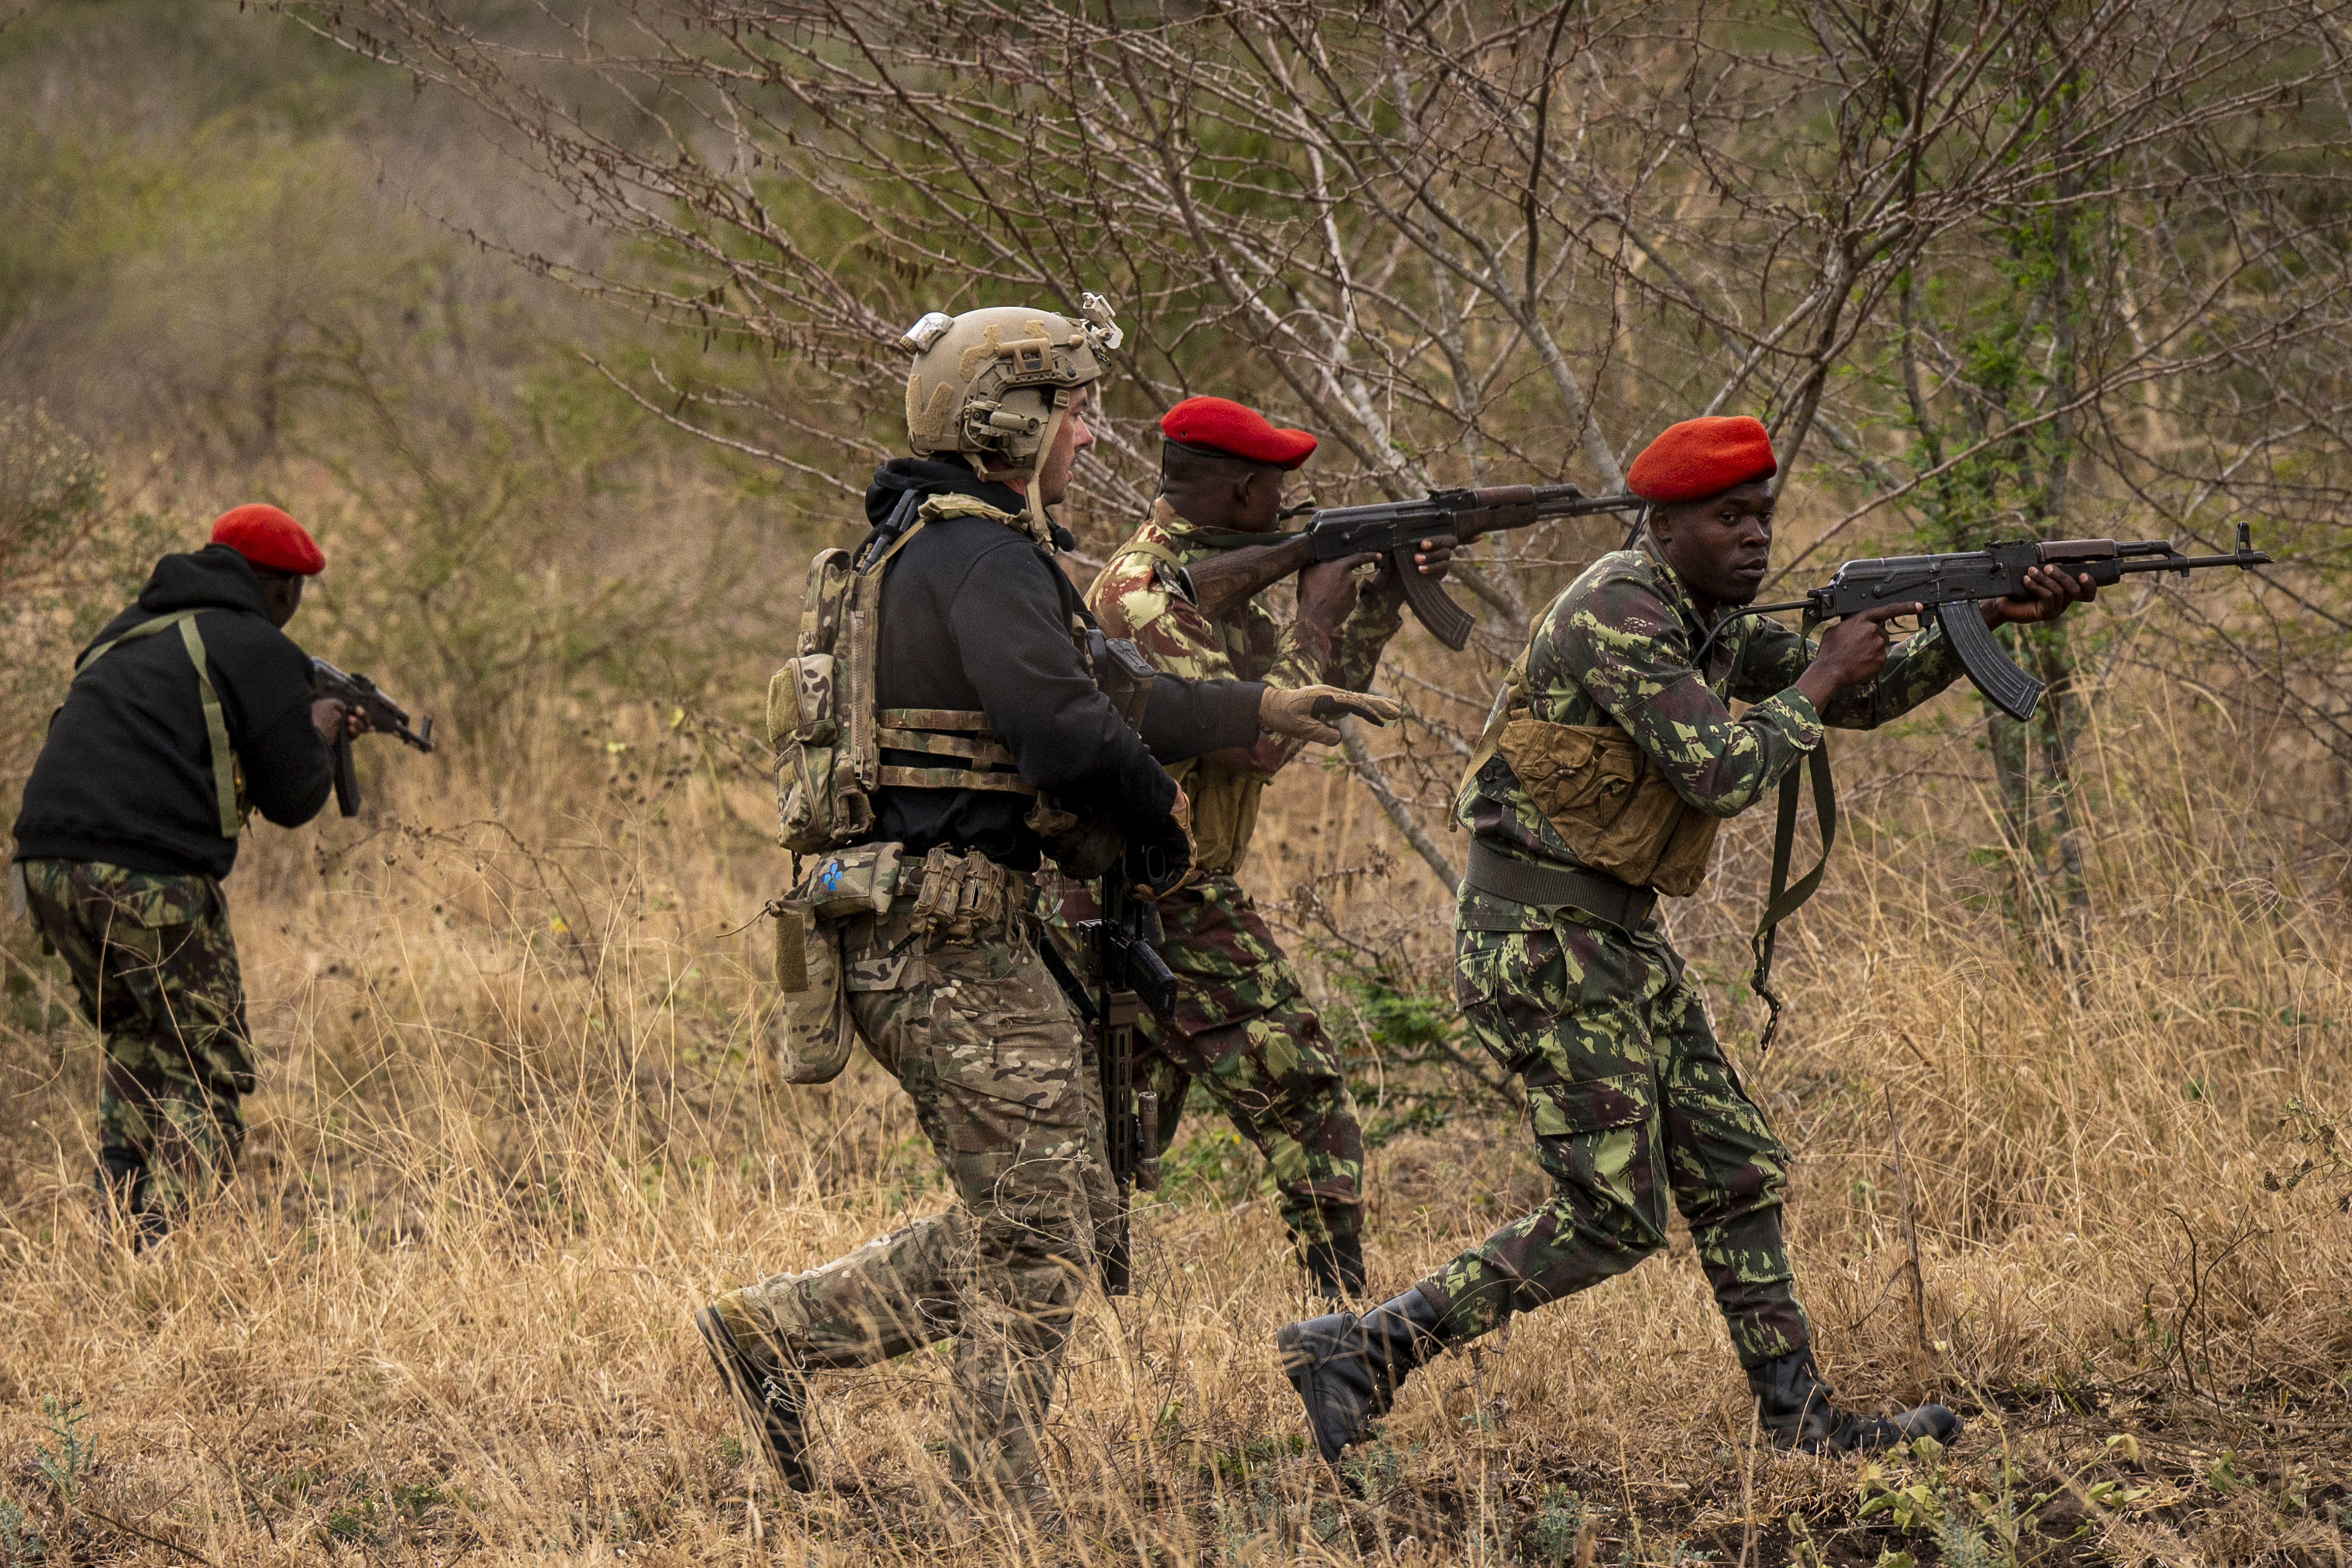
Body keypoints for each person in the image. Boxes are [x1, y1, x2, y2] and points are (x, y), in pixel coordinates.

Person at [1276, 415, 2100, 1459]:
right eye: (1728, 517)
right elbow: (1717, 767)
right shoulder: (1620, 609)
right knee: (1613, 1213)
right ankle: (1361, 1346)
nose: (1756, 535)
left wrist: (1978, 612)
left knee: (1733, 1165)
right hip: (1540, 938)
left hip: (1610, 934)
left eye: (1762, 514)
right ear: (1663, 525)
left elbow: (1864, 691)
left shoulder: (1703, 614)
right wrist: (1815, 677)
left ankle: (1800, 1419)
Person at [693, 303, 1395, 1512]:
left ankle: (775, 1331)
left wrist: (1250, 712)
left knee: (1059, 1206)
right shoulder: (982, 556)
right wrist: (1166, 823)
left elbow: (1113, 686)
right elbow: (1068, 733)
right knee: (1041, 1229)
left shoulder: (941, 546)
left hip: (937, 930)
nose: (1089, 432)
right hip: (943, 938)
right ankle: (988, 1499)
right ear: (1006, 419)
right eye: (1074, 408)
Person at [1064, 395, 1453, 1300]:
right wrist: (1316, 597)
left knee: (1111, 1142)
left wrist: (1381, 596)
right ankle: (1344, 1329)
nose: (1287, 505)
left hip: (1162, 889)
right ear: (1240, 487)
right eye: (1276, 488)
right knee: (1304, 1095)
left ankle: (1060, 1313)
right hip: (1158, 892)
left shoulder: (1206, 585)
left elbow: (1312, 702)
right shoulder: (1145, 596)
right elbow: (1257, 740)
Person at [12, 504, 360, 1247]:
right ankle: (163, 1252)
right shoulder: (253, 644)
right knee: (209, 1069)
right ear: (276, 586)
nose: (293, 609)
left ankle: (119, 1240)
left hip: (43, 869)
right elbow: (295, 800)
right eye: (294, 591)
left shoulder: (125, 629)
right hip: (146, 874)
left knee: (140, 1044)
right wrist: (322, 729)